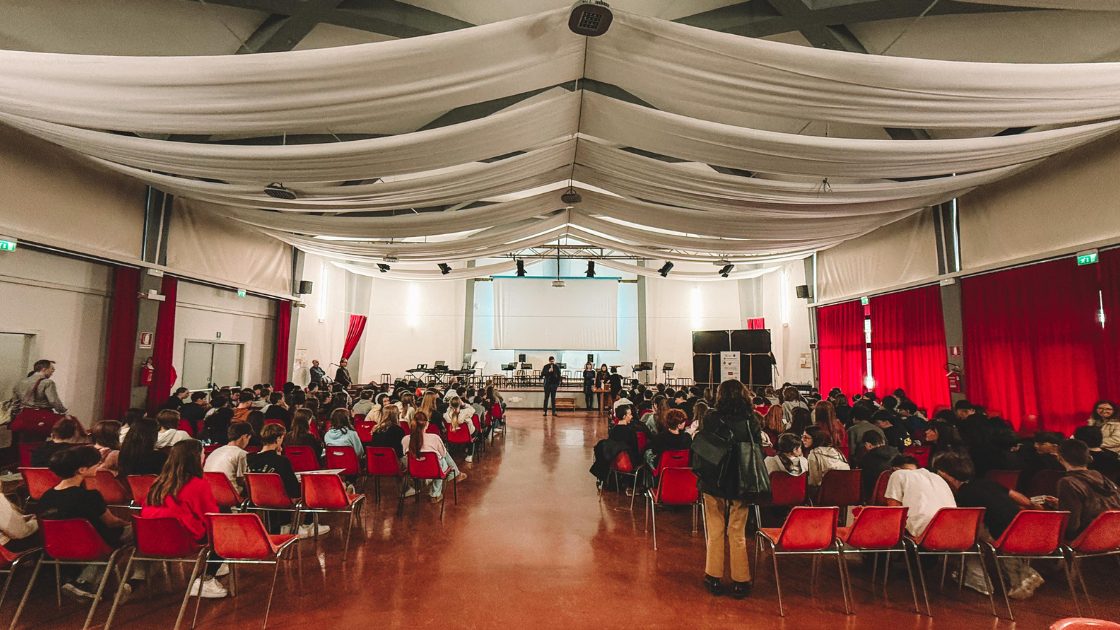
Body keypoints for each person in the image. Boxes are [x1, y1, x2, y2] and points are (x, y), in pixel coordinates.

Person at [933, 451, 1041, 598]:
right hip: (1023, 529)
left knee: (963, 535)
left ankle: (975, 577)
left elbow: (972, 524)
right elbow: (1022, 499)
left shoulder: (964, 495)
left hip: (999, 536)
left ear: (946, 475)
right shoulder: (986, 483)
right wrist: (1034, 506)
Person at [695, 380, 762, 599]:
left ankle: (713, 576)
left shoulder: (711, 418)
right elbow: (757, 450)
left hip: (714, 480)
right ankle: (741, 580)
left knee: (715, 531)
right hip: (741, 481)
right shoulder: (751, 420)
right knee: (737, 531)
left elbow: (703, 448)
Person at [38, 446, 131, 600]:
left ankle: (86, 583)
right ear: (81, 470)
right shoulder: (90, 496)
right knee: (136, 532)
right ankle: (131, 583)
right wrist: (129, 523)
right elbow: (112, 522)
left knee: (106, 544)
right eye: (96, 464)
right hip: (93, 545)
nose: (98, 466)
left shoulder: (46, 496)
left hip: (56, 548)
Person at [141, 440, 229, 599]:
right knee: (224, 528)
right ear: (196, 457)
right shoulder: (197, 484)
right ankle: (206, 578)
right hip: (181, 540)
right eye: (203, 453)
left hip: (150, 539)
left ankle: (217, 563)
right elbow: (211, 516)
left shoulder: (157, 483)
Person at [247, 424, 328, 538]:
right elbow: (293, 488)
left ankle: (283, 525)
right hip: (280, 499)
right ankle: (309, 524)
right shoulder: (282, 461)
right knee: (311, 487)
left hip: (258, 498)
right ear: (278, 439)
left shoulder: (250, 459)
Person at [1053, 439, 1120, 540]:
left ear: (1060, 457)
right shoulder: (1103, 479)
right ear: (1089, 458)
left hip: (1087, 539)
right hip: (1113, 536)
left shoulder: (1068, 482)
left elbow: (1071, 526)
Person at [884, 454, 956, 537]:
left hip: (926, 532)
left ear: (894, 468)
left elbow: (895, 510)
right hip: (954, 529)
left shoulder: (897, 474)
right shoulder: (936, 476)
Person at [402, 412, 466, 503]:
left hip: (414, 470)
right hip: (434, 470)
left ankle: (430, 479)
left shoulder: (405, 439)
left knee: (436, 460)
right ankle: (435, 494)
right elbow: (443, 454)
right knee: (441, 460)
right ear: (427, 424)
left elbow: (406, 455)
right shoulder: (434, 438)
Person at [203, 423, 252, 494]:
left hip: (210, 493)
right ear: (244, 437)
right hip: (230, 494)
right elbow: (241, 480)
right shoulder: (242, 454)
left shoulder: (215, 452)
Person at [803, 426, 850, 496]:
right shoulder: (836, 451)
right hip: (846, 490)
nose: (802, 440)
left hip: (827, 493)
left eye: (806, 438)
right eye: (802, 437)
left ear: (815, 439)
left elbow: (814, 482)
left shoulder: (814, 455)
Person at [858, 431, 899, 499]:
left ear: (868, 445)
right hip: (897, 496)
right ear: (883, 442)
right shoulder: (896, 453)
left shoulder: (866, 458)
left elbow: (861, 480)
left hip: (874, 497)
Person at [444, 396, 477, 463]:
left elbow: (447, 411)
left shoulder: (446, 415)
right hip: (466, 436)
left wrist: (450, 407)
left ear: (450, 405)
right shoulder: (466, 412)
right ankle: (469, 454)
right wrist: (464, 404)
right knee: (474, 430)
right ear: (460, 404)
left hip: (452, 436)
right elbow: (473, 410)